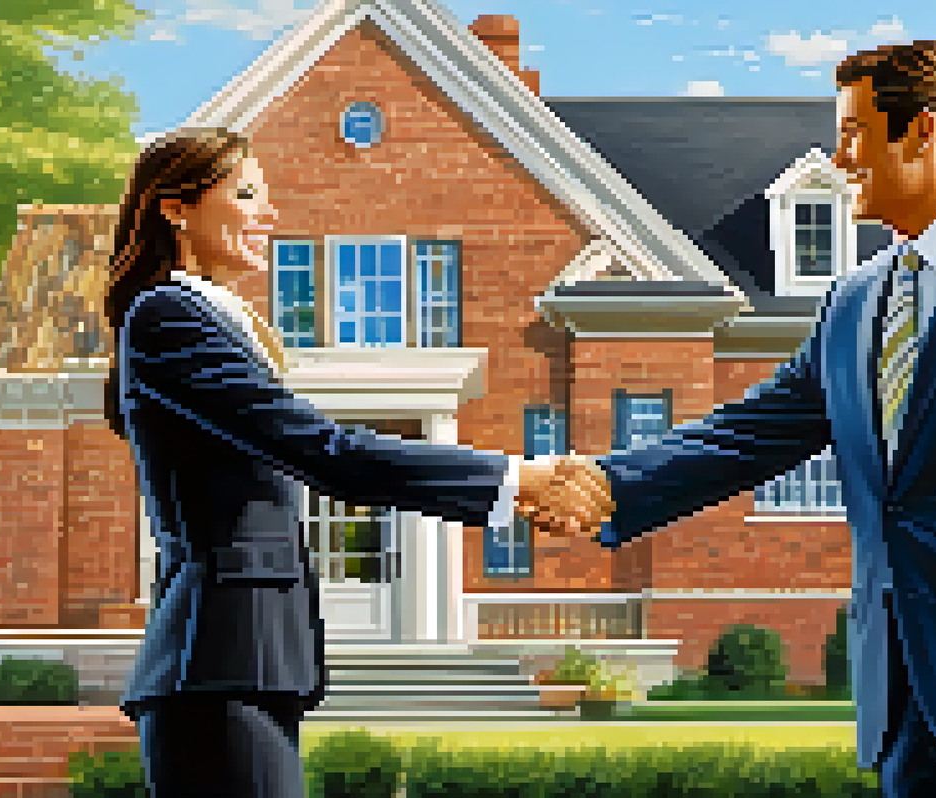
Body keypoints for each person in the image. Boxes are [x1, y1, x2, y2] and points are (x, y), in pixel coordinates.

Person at [528, 41, 936, 798]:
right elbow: (750, 433)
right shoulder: (853, 303)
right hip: (903, 707)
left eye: (854, 133)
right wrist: (610, 485)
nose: (840, 158)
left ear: (923, 132)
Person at [100, 127, 611, 798]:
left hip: (244, 658)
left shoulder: (218, 321)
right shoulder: (168, 315)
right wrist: (515, 478)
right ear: (175, 207)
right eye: (247, 193)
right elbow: (328, 453)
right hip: (216, 658)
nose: (269, 213)